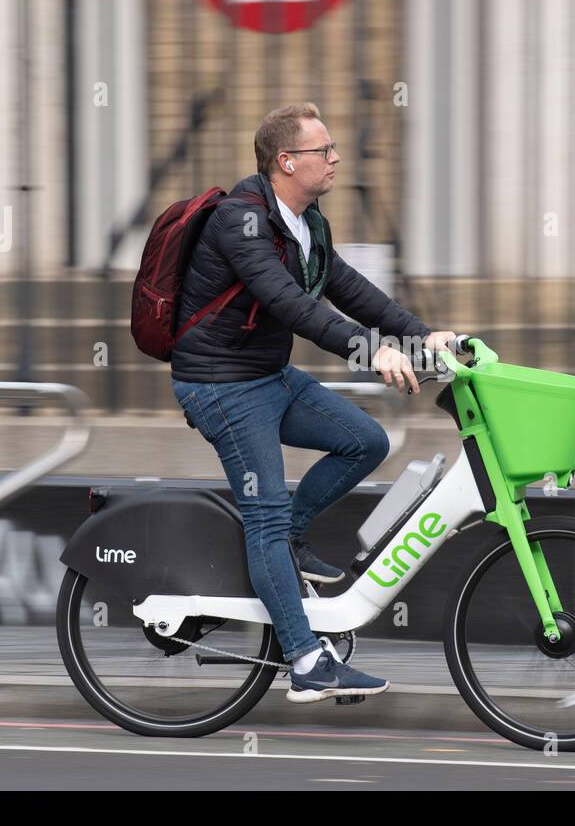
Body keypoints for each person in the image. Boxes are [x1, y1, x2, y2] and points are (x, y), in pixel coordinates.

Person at [170, 102, 456, 702]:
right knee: (264, 515)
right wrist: (369, 351)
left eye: (332, 148)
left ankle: (291, 540)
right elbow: (291, 305)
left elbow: (347, 287)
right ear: (286, 160)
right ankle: (303, 662)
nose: (335, 158)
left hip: (267, 375)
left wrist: (418, 334)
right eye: (323, 150)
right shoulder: (240, 222)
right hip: (221, 386)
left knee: (365, 441)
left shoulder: (307, 222)